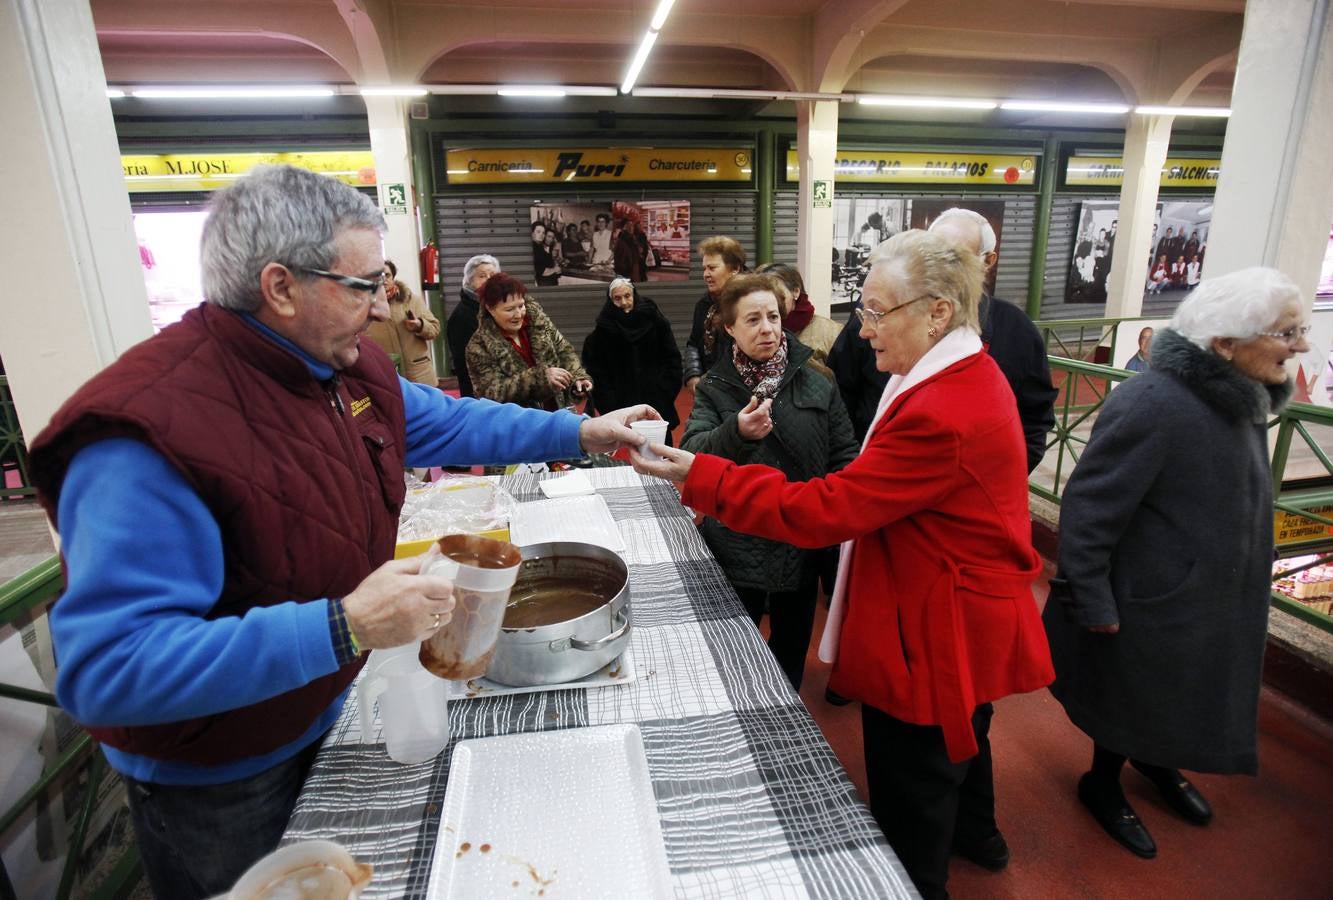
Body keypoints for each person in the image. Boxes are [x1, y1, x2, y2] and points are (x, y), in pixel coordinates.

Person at [25, 164, 656, 900]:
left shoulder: (340, 368)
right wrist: (342, 626)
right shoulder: (148, 436)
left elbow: (448, 419)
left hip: (328, 705)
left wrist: (582, 429)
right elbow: (108, 673)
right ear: (280, 287)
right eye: (364, 286)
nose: (386, 305)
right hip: (221, 778)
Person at [633, 231, 1054, 899]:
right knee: (962, 742)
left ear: (936, 311)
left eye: (877, 312)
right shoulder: (953, 373)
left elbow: (828, 508)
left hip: (932, 633)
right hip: (952, 609)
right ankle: (975, 833)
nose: (862, 329)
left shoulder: (941, 408)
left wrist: (703, 474)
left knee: (910, 792)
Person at [1043, 267, 1309, 861]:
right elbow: (1090, 508)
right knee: (1129, 699)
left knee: (1178, 694)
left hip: (1203, 598)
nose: (1302, 346)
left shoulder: (1237, 396)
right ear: (1225, 344)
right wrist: (1089, 596)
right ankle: (1103, 784)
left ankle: (1158, 762)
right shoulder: (1153, 402)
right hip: (1152, 599)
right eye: (1287, 332)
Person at [679, 273, 857, 691]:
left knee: (791, 651)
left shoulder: (818, 379)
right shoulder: (716, 388)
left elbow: (844, 453)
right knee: (732, 652)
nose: (767, 329)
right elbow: (692, 453)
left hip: (801, 540)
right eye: (753, 319)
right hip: (739, 541)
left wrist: (839, 519)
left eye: (774, 317)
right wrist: (736, 433)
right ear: (730, 328)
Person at [928, 208, 1057, 473]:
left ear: (989, 260)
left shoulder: (1017, 332)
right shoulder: (886, 316)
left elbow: (1033, 421)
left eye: (957, 257)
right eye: (932, 253)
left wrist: (998, 479)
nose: (942, 267)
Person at [466, 272, 592, 411]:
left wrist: (578, 378)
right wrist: (539, 378)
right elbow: (491, 393)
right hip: (521, 423)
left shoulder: (538, 323)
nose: (518, 314)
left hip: (558, 413)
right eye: (509, 309)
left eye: (521, 306)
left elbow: (563, 350)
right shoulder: (479, 346)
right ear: (490, 309)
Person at [581, 277, 682, 438]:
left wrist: (663, 392)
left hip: (656, 406)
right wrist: (612, 407)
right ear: (610, 300)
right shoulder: (600, 334)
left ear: (634, 295)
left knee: (662, 455)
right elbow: (596, 374)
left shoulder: (656, 323)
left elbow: (672, 361)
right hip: (621, 413)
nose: (624, 302)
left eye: (627, 296)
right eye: (617, 298)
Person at [682, 236, 745, 393]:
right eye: (704, 268)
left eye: (712, 268)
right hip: (709, 392)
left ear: (735, 269)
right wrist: (693, 375)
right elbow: (693, 344)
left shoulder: (750, 304)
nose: (705, 274)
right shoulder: (704, 305)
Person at [364, 258, 441, 386]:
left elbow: (435, 328)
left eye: (387, 275)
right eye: (378, 276)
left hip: (419, 376)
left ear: (393, 277)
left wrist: (420, 325)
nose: (384, 280)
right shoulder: (364, 307)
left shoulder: (411, 300)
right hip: (387, 377)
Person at [756, 263, 841, 374]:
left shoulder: (831, 332)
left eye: (778, 295)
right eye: (765, 296)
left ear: (795, 291)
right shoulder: (756, 330)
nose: (772, 301)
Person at [446, 254, 499, 398]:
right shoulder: (462, 316)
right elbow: (467, 367)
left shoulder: (495, 307)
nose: (489, 279)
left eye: (492, 275)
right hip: (480, 394)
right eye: (482, 276)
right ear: (469, 281)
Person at [530, 221, 560, 286]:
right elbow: (541, 271)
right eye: (538, 232)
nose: (541, 235)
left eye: (543, 233)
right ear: (532, 233)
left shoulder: (539, 247)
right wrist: (555, 269)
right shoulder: (534, 247)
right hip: (543, 284)